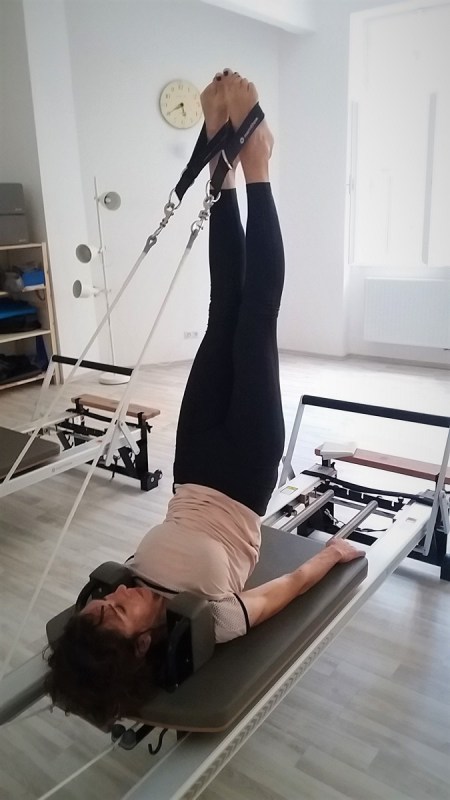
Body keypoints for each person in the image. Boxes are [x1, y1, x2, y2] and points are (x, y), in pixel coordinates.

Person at [46, 70, 364, 726]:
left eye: (96, 601)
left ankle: (219, 169)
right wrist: (330, 555)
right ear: (142, 641)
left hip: (192, 466)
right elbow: (278, 592)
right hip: (246, 471)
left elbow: (99, 632)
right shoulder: (213, 623)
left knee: (223, 312)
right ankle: (256, 163)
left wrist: (93, 630)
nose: (117, 592)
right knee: (255, 320)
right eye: (116, 609)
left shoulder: (124, 590)